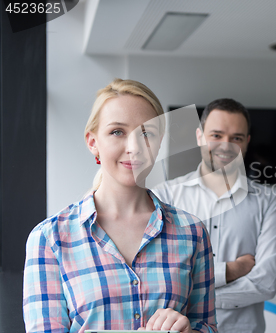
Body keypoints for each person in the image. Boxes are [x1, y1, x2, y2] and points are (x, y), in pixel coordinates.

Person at [23, 79, 217, 333]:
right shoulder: (49, 239)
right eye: (117, 132)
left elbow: (208, 326)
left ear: (159, 144)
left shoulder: (192, 232)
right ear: (93, 142)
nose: (134, 147)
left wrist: (189, 332)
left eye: (147, 133)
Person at [154, 98, 276, 333]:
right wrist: (231, 271)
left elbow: (266, 283)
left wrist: (193, 297)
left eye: (236, 138)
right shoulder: (165, 197)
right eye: (216, 135)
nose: (226, 145)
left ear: (246, 143)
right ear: (199, 136)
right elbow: (158, 275)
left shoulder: (269, 202)